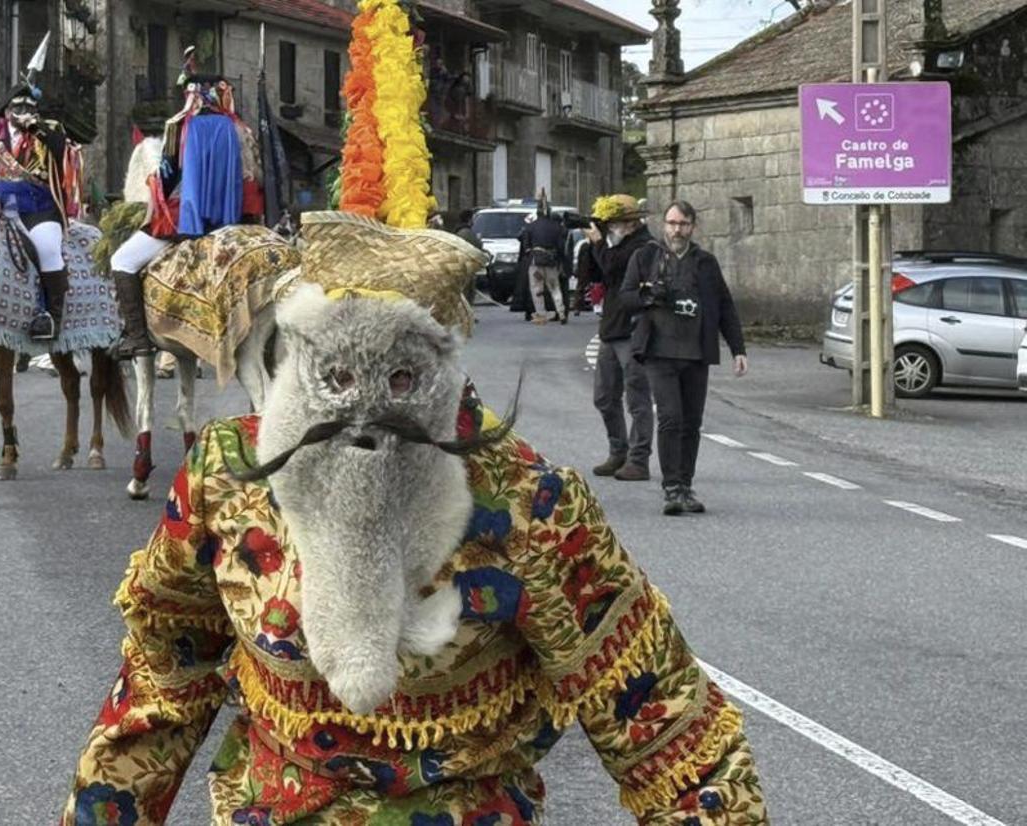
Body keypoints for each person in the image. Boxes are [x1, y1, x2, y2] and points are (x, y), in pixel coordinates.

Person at [60, 210, 767, 825]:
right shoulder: (229, 477)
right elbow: (160, 685)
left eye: (399, 381)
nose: (366, 415)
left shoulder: (530, 504)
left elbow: (671, 737)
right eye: (335, 376)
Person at [108, 48, 264, 360]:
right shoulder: (240, 129)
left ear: (191, 96)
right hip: (238, 219)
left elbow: (167, 177)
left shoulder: (180, 126)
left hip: (187, 221)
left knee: (121, 261)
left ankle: (138, 338)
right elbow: (257, 176)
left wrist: (153, 183)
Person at [621, 200, 747, 515]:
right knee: (671, 418)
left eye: (683, 224)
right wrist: (648, 296)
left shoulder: (705, 263)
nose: (677, 230)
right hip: (658, 352)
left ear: (692, 227)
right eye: (672, 223)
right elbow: (623, 298)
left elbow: (725, 306)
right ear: (664, 224)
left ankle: (686, 486)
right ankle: (672, 488)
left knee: (692, 423)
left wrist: (738, 349)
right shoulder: (645, 256)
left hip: (696, 353)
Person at [0, 61, 84, 341]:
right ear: (7, 112)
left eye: (29, 108)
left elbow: (62, 152)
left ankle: (51, 317)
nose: (25, 113)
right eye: (19, 108)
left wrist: (37, 129)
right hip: (0, 210)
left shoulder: (49, 132)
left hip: (39, 210)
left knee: (48, 248)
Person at [586, 194, 655, 481]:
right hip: (611, 330)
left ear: (630, 223)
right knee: (604, 396)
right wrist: (592, 245)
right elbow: (597, 273)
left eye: (612, 223)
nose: (610, 228)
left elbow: (614, 268)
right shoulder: (618, 245)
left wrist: (600, 243)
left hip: (633, 332)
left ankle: (638, 459)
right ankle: (618, 450)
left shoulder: (644, 247)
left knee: (637, 399)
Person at [517, 192, 567, 324]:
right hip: (551, 261)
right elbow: (561, 247)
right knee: (555, 288)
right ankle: (561, 312)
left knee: (537, 289)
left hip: (536, 262)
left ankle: (541, 314)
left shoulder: (530, 227)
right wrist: (560, 261)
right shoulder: (557, 227)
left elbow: (526, 246)